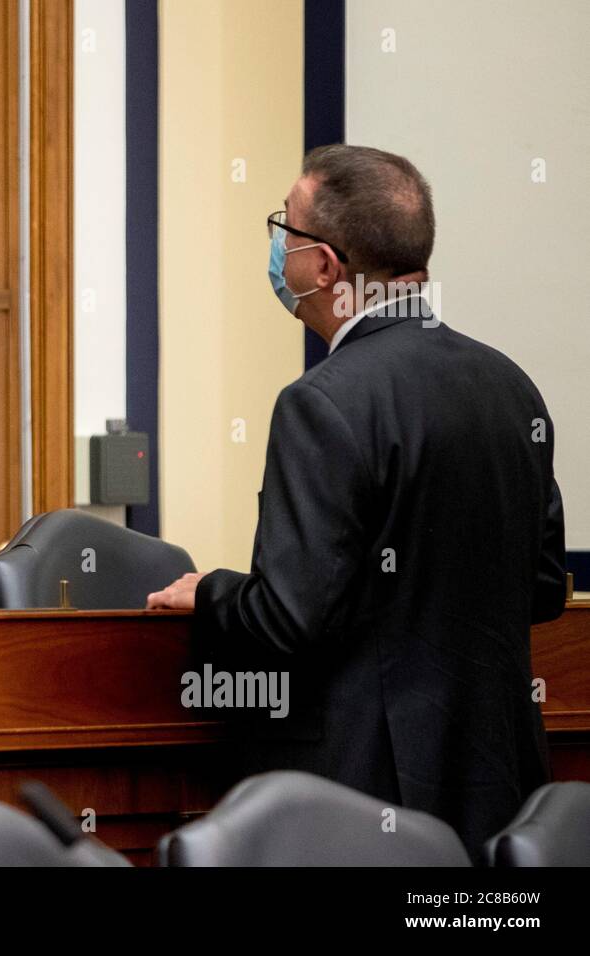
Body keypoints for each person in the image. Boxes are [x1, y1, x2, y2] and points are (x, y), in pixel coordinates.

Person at [148, 144, 566, 857]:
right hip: (500, 789)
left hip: (367, 802)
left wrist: (210, 594)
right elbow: (545, 587)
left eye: (286, 227)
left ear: (325, 266)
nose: (278, 246)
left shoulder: (321, 404)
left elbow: (287, 620)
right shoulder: (510, 388)